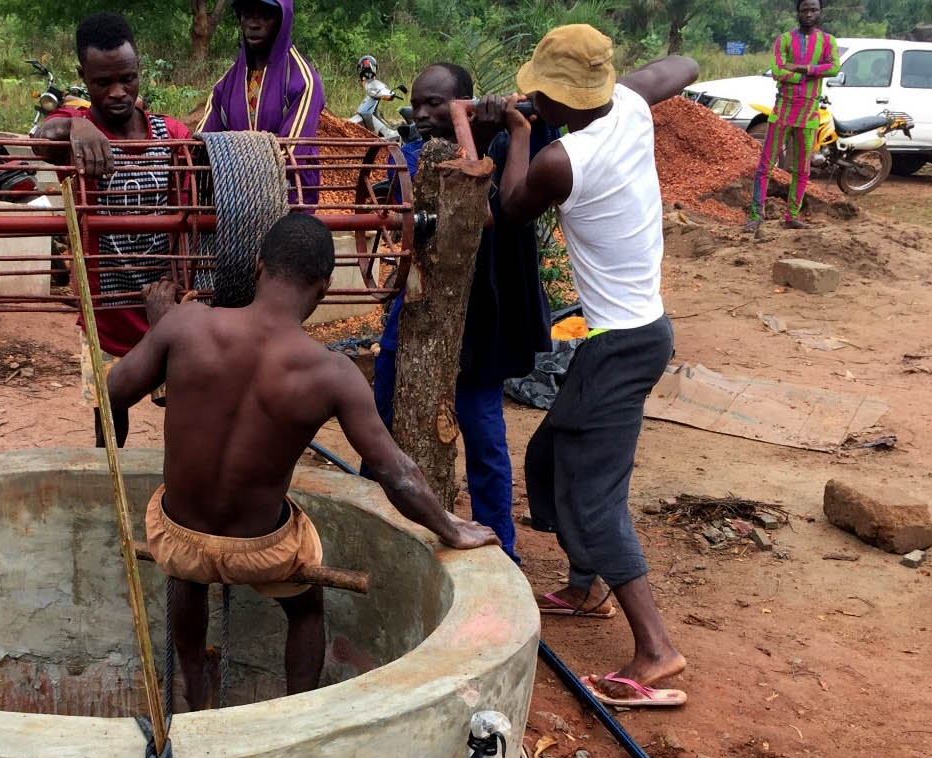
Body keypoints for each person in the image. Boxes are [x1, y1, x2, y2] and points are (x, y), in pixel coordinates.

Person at [106, 213, 500, 711]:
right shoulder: (332, 373)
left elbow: (115, 389)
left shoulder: (186, 324)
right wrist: (450, 527)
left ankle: (195, 695)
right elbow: (395, 472)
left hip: (177, 538)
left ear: (257, 267)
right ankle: (295, 715)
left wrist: (161, 332)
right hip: (260, 550)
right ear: (324, 287)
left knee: (186, 568)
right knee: (307, 604)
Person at [494, 25, 698, 708]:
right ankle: (585, 584)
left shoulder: (561, 160)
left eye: (536, 94)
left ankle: (656, 650)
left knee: (594, 494)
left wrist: (519, 132)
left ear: (552, 100)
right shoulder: (631, 105)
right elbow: (684, 62)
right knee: (551, 451)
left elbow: (508, 207)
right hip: (629, 331)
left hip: (620, 344)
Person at [368, 61, 554, 563]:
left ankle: (502, 554)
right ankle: (374, 522)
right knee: (380, 419)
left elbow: (535, 162)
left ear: (466, 105)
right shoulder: (414, 154)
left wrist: (500, 125)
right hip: (415, 314)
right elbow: (391, 194)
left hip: (482, 324)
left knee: (483, 440)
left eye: (437, 104)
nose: (422, 113)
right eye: (419, 102)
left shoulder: (509, 147)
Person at [37, 14, 192, 439]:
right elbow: (41, 136)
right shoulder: (76, 133)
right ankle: (112, 489)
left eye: (128, 78)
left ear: (140, 69)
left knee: (182, 411)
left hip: (163, 304)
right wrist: (76, 123)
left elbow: (195, 199)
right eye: (103, 83)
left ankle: (175, 493)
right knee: (109, 415)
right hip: (105, 314)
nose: (118, 92)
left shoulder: (170, 134)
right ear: (82, 77)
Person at [199, 0, 324, 203]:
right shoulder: (225, 85)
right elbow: (202, 145)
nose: (253, 24)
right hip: (236, 204)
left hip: (289, 200)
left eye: (265, 15)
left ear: (282, 20)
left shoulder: (301, 81)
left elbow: (290, 153)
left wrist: (231, 159)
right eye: (247, 14)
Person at [746, 0, 840, 232]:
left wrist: (800, 68)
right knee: (765, 166)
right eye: (804, 10)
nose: (809, 14)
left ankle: (792, 216)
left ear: (820, 12)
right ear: (797, 12)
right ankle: (757, 214)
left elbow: (834, 68)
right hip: (782, 113)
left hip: (809, 115)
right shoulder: (784, 39)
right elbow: (778, 72)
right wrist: (812, 74)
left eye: (813, 10)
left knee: (802, 169)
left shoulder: (828, 41)